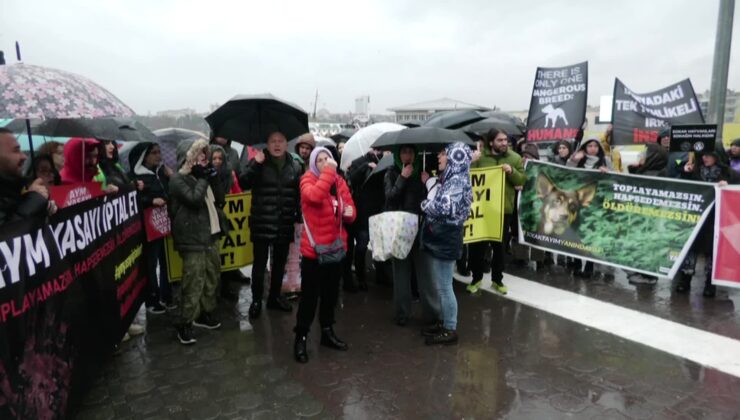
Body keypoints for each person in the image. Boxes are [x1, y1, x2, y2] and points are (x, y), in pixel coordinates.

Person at [293, 147, 356, 363]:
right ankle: (301, 336)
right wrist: (329, 173)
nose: (324, 162)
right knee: (309, 297)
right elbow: (315, 196)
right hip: (314, 253)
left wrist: (349, 213)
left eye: (327, 159)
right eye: (319, 160)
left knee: (330, 295)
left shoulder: (339, 182)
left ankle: (327, 332)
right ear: (312, 164)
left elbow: (350, 210)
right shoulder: (307, 181)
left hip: (336, 249)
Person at [169, 139, 228, 344]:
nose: (204, 157)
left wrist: (214, 178)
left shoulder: (203, 176)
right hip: (192, 237)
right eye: (199, 154)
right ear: (189, 156)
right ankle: (184, 322)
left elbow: (220, 199)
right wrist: (203, 179)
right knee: (193, 281)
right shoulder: (178, 179)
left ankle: (205, 312)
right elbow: (193, 200)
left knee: (212, 275)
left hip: (210, 233)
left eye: (205, 153)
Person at [239, 131, 303, 318]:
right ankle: (256, 300)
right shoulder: (258, 161)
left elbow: (299, 194)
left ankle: (274, 297)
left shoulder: (295, 165)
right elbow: (244, 183)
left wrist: (299, 215)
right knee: (259, 265)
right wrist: (256, 165)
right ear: (266, 143)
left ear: (286, 144)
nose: (277, 145)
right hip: (261, 221)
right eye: (273, 141)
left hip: (284, 222)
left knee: (279, 264)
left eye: (281, 141)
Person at [419, 142, 473, 345]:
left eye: (443, 154)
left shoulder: (457, 181)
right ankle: (443, 322)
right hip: (443, 237)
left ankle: (449, 328)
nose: (439, 158)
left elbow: (443, 207)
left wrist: (425, 204)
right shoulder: (452, 178)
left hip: (447, 237)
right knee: (442, 285)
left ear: (454, 158)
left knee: (444, 286)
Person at [468, 128, 526, 295]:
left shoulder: (514, 158)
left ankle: (497, 280)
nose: (504, 143)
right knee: (477, 246)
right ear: (491, 142)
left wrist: (512, 172)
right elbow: (468, 178)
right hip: (481, 210)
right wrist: (471, 162)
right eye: (500, 140)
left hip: (503, 210)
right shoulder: (480, 157)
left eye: (505, 140)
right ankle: (476, 278)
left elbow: (522, 179)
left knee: (499, 247)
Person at [384, 144, 434, 326]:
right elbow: (389, 198)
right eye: (404, 152)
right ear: (398, 154)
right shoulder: (391, 172)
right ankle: (402, 313)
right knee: (401, 274)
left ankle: (430, 314)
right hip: (399, 229)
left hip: (421, 229)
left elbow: (430, 202)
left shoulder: (423, 171)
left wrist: (427, 184)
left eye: (411, 152)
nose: (407, 155)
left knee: (424, 273)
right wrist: (401, 179)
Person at [676, 151, 733, 297]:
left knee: (711, 250)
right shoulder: (693, 170)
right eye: (702, 155)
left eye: (708, 155)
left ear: (717, 156)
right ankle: (685, 280)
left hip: (716, 218)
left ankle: (710, 283)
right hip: (695, 216)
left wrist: (729, 186)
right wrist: (684, 172)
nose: (704, 158)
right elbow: (679, 185)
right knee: (691, 247)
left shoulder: (728, 173)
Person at [128, 142, 174, 313]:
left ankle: (166, 295)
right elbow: (131, 199)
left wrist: (171, 177)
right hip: (147, 226)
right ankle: (151, 299)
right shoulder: (135, 177)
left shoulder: (161, 173)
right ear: (144, 157)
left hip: (162, 223)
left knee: (165, 260)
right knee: (151, 263)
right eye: (154, 153)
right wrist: (150, 200)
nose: (158, 155)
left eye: (159, 152)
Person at [567, 138, 612, 278]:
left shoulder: (605, 160)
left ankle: (589, 265)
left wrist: (607, 173)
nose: (593, 148)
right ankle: (577, 261)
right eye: (590, 146)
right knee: (576, 233)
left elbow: (613, 181)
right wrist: (574, 160)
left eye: (595, 146)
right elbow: (566, 173)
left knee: (591, 234)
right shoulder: (577, 160)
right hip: (577, 204)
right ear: (584, 148)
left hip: (596, 204)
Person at [0, 128, 49, 226]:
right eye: (16, 150)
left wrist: (45, 210)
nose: (24, 157)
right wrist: (33, 201)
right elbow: (8, 234)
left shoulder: (17, 188)